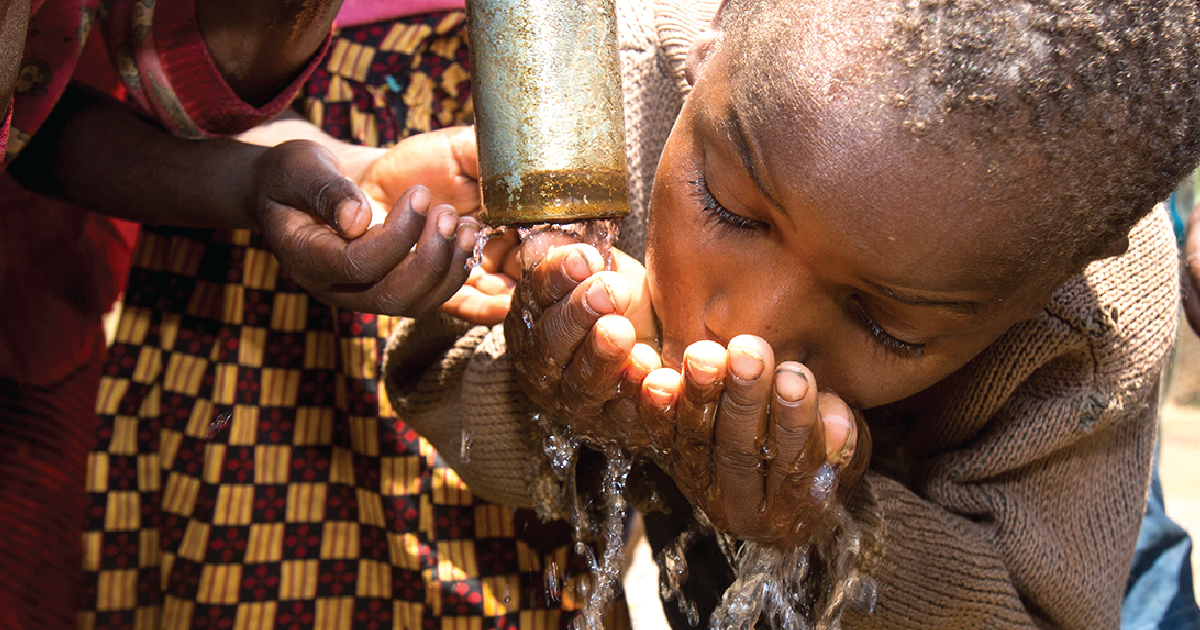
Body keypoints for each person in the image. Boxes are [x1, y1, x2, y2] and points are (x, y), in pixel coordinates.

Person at [382, 0, 1200, 628]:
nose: (745, 333)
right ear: (723, 28)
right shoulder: (615, 100)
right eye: (733, 211)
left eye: (884, 324)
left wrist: (827, 525)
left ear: (1056, 276)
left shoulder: (1094, 328)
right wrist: (566, 382)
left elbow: (1036, 611)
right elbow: (437, 381)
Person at [74, 2, 598, 629]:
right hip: (249, 195)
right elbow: (48, 106)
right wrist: (310, 170)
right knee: (245, 561)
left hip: (519, 129)